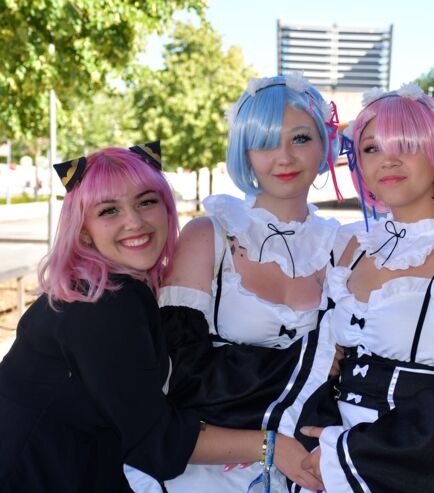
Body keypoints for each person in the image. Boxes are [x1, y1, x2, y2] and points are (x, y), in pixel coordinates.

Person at [0, 145, 284, 493]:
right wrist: (270, 446)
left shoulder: (103, 287)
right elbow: (154, 443)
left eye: (146, 201)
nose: (134, 221)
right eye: (109, 210)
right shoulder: (102, 305)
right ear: (84, 230)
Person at [125, 73, 341, 493]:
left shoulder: (344, 245)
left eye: (300, 138)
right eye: (264, 142)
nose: (284, 158)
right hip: (206, 466)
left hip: (309, 464)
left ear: (324, 144)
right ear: (244, 151)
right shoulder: (211, 234)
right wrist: (313, 360)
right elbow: (181, 371)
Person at [299, 83, 434, 492]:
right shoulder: (350, 248)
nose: (387, 161)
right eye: (371, 149)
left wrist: (346, 455)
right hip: (324, 466)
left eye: (406, 145)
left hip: (420, 471)